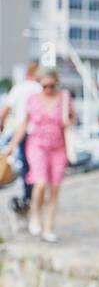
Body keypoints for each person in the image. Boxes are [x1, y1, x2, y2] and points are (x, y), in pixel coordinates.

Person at [10, 67, 75, 242]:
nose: (48, 89)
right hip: (37, 145)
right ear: (39, 84)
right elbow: (23, 126)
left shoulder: (64, 98)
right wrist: (11, 147)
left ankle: (48, 228)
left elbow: (73, 118)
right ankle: (36, 215)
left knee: (55, 189)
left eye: (52, 86)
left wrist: (68, 122)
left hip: (59, 148)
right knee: (40, 183)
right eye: (45, 86)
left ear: (57, 83)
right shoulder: (32, 100)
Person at [0, 62, 42, 215]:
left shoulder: (19, 88)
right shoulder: (39, 88)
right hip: (39, 133)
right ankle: (35, 195)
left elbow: (6, 109)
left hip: (23, 132)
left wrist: (1, 124)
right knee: (36, 166)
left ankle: (28, 196)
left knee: (26, 166)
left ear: (27, 73)